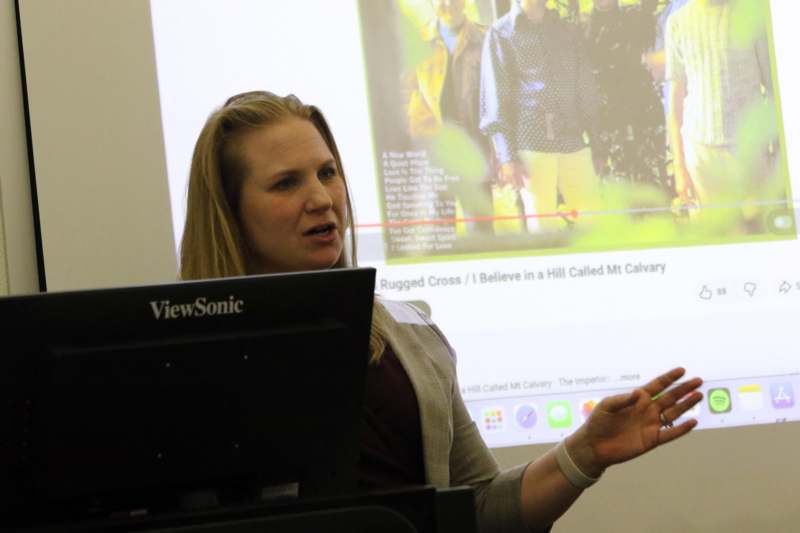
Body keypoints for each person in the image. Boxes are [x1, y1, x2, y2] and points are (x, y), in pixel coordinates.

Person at [180, 90, 704, 532]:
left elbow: (477, 506)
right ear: (230, 211)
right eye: (286, 182)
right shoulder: (191, 362)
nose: (321, 198)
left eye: (327, 172)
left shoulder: (410, 333)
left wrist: (584, 453)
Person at [479, 0, 604, 231]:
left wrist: (597, 143)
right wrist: (506, 157)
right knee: (543, 228)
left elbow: (586, 90)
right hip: (532, 145)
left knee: (593, 223)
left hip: (573, 140)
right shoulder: (501, 33)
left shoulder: (566, 31)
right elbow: (496, 99)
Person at [665, 0, 776, 226]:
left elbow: (776, 89)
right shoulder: (677, 22)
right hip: (700, 158)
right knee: (712, 241)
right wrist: (679, 166)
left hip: (750, 154)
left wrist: (779, 155)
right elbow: (675, 100)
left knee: (759, 234)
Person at [406, 0, 494, 235]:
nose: (448, 3)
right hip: (436, 151)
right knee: (440, 234)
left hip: (474, 150)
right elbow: (406, 94)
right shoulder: (418, 42)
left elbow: (498, 98)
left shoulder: (487, 39)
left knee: (482, 234)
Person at [585, 0, 667, 187]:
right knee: (616, 193)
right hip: (608, 125)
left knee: (652, 191)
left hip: (643, 119)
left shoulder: (636, 17)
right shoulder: (582, 28)